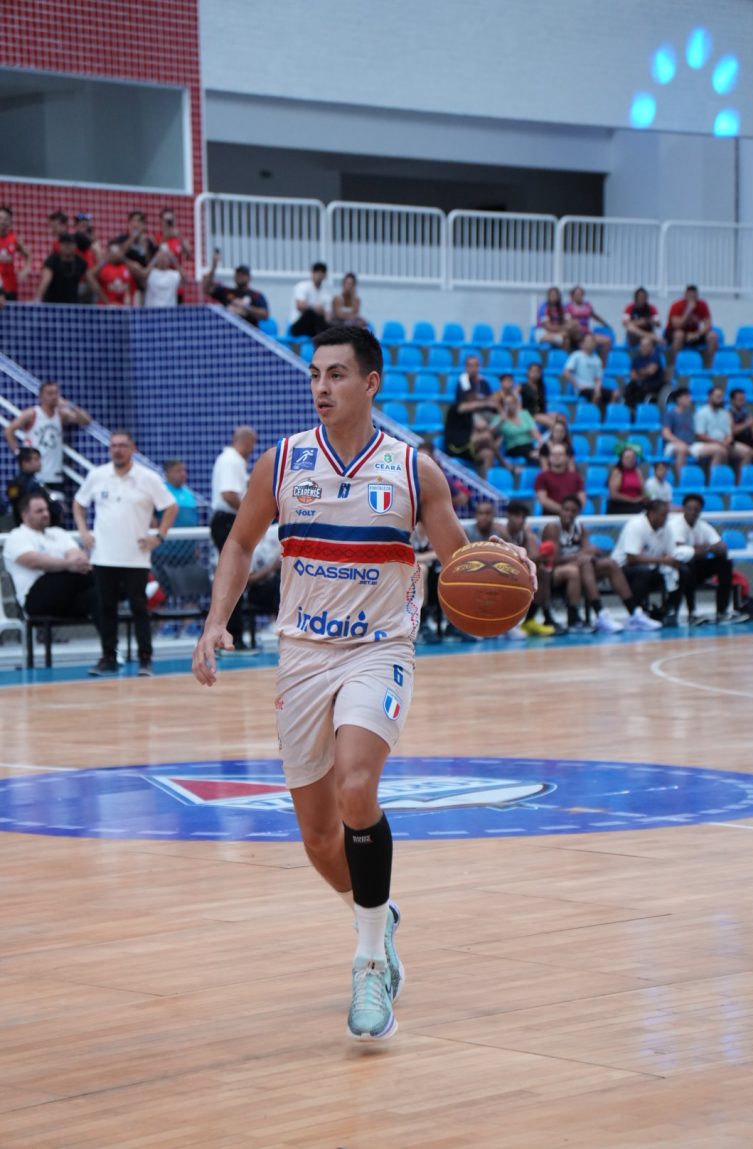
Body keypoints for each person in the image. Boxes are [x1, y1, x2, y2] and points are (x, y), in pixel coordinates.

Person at [192, 324, 535, 1042]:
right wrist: (215, 622)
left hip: (379, 651)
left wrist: (499, 569)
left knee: (356, 787)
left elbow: (460, 570)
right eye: (315, 375)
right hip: (301, 656)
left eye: (337, 374)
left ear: (371, 383)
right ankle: (378, 914)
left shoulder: (414, 472)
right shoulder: (282, 462)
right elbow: (240, 543)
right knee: (322, 841)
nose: (321, 387)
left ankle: (369, 961)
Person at [73, 430, 178, 677]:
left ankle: (145, 659)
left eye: (122, 445)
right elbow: (79, 503)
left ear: (133, 449)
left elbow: (170, 506)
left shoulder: (147, 478)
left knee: (139, 607)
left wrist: (159, 536)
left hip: (136, 556)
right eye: (113, 446)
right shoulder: (98, 475)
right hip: (103, 556)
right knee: (105, 607)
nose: (117, 450)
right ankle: (108, 657)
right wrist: (83, 532)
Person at [542, 494, 661, 633]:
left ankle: (634, 613)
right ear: (560, 510)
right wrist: (581, 555)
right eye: (566, 509)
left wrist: (590, 553)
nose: (568, 513)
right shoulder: (553, 528)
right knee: (581, 565)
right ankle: (598, 614)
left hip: (578, 568)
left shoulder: (580, 527)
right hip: (554, 572)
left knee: (611, 564)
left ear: (578, 513)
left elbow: (590, 550)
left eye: (573, 511)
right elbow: (554, 559)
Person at [3, 492, 97, 621]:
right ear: (25, 515)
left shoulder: (58, 533)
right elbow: (33, 561)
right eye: (39, 511)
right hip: (35, 600)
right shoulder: (17, 536)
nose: (46, 514)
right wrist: (69, 565)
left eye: (46, 509)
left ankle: (109, 633)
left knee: (98, 596)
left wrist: (74, 564)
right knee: (75, 574)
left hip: (66, 598)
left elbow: (78, 556)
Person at [210, 426, 258, 651]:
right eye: (253, 444)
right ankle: (232, 636)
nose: (252, 449)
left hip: (227, 521)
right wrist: (250, 513)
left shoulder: (229, 460)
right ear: (246, 440)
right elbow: (229, 494)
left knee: (234, 577)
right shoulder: (232, 461)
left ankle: (231, 634)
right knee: (233, 578)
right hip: (228, 521)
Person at [3, 379, 91, 498]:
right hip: (35, 474)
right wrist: (18, 453)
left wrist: (70, 405)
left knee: (56, 506)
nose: (54, 397)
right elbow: (9, 430)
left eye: (56, 393)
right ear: (41, 396)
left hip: (54, 474)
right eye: (49, 393)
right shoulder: (32, 413)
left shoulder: (61, 414)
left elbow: (86, 421)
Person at [669, 493, 748, 625]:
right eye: (689, 508)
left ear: (700, 511)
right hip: (677, 571)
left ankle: (721, 613)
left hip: (698, 567)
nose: (692, 512)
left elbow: (722, 548)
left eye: (696, 509)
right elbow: (681, 550)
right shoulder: (675, 524)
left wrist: (701, 549)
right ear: (684, 509)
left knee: (725, 562)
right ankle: (692, 614)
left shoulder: (703, 526)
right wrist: (703, 549)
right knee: (689, 563)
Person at [611, 500, 690, 626]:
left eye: (667, 515)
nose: (666, 519)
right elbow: (632, 558)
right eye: (663, 515)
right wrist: (663, 560)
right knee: (643, 571)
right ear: (652, 513)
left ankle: (669, 610)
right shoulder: (636, 525)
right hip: (622, 571)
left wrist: (676, 560)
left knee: (683, 570)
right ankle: (637, 613)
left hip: (651, 568)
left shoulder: (666, 528)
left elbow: (670, 554)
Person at [504, 500, 561, 636]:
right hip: (499, 574)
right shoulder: (501, 533)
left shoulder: (524, 534)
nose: (521, 520)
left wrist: (529, 536)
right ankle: (507, 624)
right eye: (517, 516)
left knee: (543, 572)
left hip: (516, 575)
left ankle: (531, 620)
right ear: (508, 516)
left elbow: (533, 558)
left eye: (523, 517)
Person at [661, 388, 719, 480]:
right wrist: (680, 442)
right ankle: (682, 481)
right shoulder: (670, 414)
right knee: (682, 449)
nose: (690, 399)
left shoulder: (691, 415)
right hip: (673, 445)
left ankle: (713, 481)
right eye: (687, 397)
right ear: (679, 399)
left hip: (691, 445)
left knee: (718, 450)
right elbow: (666, 434)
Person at [695, 386, 753, 476]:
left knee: (747, 452)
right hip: (707, 444)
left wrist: (727, 441)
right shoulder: (702, 413)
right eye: (718, 397)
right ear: (709, 397)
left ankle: (740, 483)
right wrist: (719, 443)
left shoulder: (724, 413)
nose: (720, 399)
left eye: (721, 397)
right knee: (720, 451)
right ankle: (714, 481)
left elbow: (729, 434)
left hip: (724, 443)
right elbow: (700, 435)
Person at [202, 252, 269, 326]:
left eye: (243, 274)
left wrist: (245, 307)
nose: (239, 276)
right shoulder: (226, 292)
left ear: (249, 278)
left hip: (249, 331)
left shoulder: (256, 295)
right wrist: (214, 267)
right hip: (229, 330)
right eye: (237, 274)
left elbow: (265, 315)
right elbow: (206, 289)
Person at [5, 447, 63, 526]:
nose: (39, 463)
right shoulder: (26, 483)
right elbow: (16, 504)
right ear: (25, 463)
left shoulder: (33, 481)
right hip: (31, 524)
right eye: (36, 460)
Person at [664, 285, 718, 366]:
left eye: (694, 296)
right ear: (685, 295)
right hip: (676, 333)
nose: (692, 298)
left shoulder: (702, 305)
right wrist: (688, 311)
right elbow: (677, 325)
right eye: (690, 296)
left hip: (694, 333)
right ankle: (675, 365)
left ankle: (711, 365)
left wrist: (697, 334)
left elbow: (708, 324)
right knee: (679, 335)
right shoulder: (676, 305)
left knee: (713, 336)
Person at [490, 386, 541, 470]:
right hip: (513, 448)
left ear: (516, 403)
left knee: (542, 453)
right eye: (507, 404)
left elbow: (535, 433)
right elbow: (489, 434)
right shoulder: (499, 418)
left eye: (512, 403)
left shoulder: (524, 414)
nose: (510, 406)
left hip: (528, 446)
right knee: (534, 456)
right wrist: (500, 422)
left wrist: (540, 445)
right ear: (503, 406)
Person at [534, 442, 586, 515]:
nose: (556, 457)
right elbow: (543, 500)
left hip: (572, 518)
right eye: (553, 454)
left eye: (560, 454)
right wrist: (564, 511)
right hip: (550, 518)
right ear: (549, 457)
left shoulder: (576, 477)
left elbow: (582, 498)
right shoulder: (542, 477)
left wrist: (570, 512)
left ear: (566, 457)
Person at [35, 234, 87, 303]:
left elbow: (89, 279)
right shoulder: (52, 261)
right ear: (59, 245)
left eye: (70, 244)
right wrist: (37, 299)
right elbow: (45, 280)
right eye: (65, 244)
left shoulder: (80, 262)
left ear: (75, 246)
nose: (67, 247)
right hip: (52, 303)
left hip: (72, 304)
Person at [88, 241, 143, 306]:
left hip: (125, 308)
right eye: (112, 252)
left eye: (117, 251)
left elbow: (142, 274)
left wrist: (124, 259)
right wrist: (105, 259)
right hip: (107, 308)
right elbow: (89, 275)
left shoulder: (129, 267)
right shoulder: (103, 267)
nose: (115, 254)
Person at [564, 286, 612, 360]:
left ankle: (601, 364)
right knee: (575, 327)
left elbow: (594, 315)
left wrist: (605, 324)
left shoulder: (587, 305)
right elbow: (567, 320)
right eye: (577, 294)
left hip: (587, 333)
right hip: (575, 334)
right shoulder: (568, 306)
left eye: (580, 294)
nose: (579, 296)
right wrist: (575, 325)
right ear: (572, 296)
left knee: (607, 341)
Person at [155, 207, 191, 303]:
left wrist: (180, 237)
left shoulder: (179, 238)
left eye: (171, 220)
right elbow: (154, 254)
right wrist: (167, 236)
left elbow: (189, 255)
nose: (169, 223)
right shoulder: (157, 237)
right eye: (167, 220)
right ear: (161, 221)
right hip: (162, 282)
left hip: (176, 282)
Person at [289, 261, 332, 338]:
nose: (318, 275)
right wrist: (314, 308)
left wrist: (322, 312)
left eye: (321, 273)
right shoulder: (302, 286)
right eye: (316, 272)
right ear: (312, 273)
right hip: (298, 326)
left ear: (325, 276)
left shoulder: (326, 293)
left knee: (332, 324)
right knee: (311, 313)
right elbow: (299, 306)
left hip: (314, 327)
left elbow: (328, 316)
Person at [625, 335, 666, 410]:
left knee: (642, 389)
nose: (644, 348)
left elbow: (651, 371)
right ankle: (629, 410)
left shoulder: (655, 357)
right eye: (642, 346)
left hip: (654, 384)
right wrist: (644, 372)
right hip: (640, 384)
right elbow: (633, 376)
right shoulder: (636, 360)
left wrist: (639, 372)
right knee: (629, 388)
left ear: (652, 347)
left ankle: (639, 410)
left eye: (647, 346)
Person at [562, 333, 604, 406]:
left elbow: (598, 378)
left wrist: (597, 390)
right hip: (581, 389)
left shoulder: (597, 359)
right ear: (582, 344)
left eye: (593, 341)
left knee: (615, 394)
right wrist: (577, 385)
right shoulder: (576, 355)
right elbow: (566, 372)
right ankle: (592, 411)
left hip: (593, 388)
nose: (591, 343)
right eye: (589, 341)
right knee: (595, 395)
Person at [729, 388, 753, 467]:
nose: (742, 401)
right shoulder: (728, 414)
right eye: (740, 399)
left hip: (747, 441)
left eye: (743, 399)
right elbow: (733, 431)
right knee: (751, 453)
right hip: (734, 442)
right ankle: (743, 475)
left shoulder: (745, 414)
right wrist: (746, 424)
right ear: (732, 400)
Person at [0, 204, 31, 300]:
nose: (3, 221)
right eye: (1, 218)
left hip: (10, 287)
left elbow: (28, 255)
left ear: (10, 222)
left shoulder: (15, 239)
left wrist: (26, 270)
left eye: (6, 219)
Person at [606, 447, 646, 516]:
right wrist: (633, 500)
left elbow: (643, 490)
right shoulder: (617, 472)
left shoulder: (637, 471)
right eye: (627, 458)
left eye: (632, 457)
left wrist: (642, 498)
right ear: (621, 459)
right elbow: (614, 495)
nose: (630, 460)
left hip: (636, 504)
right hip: (620, 505)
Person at [519, 363, 557, 431]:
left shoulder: (541, 386)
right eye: (533, 371)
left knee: (561, 418)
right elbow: (514, 396)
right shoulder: (522, 386)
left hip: (541, 413)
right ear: (528, 372)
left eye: (538, 371)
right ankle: (551, 437)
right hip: (530, 414)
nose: (535, 373)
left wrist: (548, 414)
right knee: (552, 423)